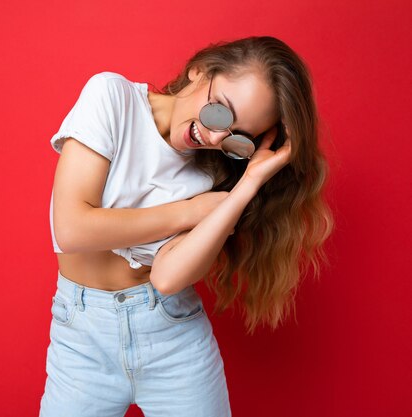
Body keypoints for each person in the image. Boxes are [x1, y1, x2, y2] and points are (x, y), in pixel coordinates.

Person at [39, 36, 333, 417]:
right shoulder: (112, 97)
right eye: (220, 113)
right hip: (81, 339)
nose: (213, 137)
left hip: (172, 335)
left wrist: (247, 185)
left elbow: (166, 278)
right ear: (199, 70)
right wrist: (189, 211)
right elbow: (72, 229)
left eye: (236, 138)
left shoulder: (216, 174)